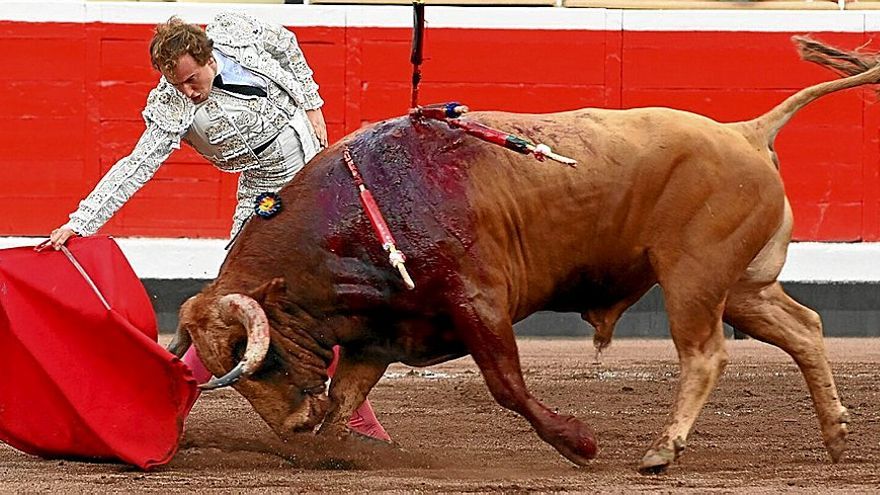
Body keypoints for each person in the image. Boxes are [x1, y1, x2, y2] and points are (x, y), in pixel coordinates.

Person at [45, 12, 390, 442]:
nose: (187, 93)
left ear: (209, 58)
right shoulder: (171, 106)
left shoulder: (236, 33)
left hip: (319, 171)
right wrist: (80, 222)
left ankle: (354, 416)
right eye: (177, 85)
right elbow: (135, 167)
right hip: (267, 192)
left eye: (192, 80)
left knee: (339, 293)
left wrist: (311, 103)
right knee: (236, 302)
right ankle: (167, 405)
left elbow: (285, 42)